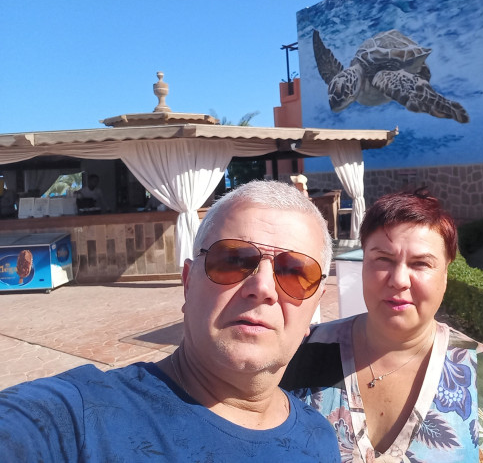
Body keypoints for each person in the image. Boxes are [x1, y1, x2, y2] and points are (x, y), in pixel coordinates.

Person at [0, 180, 340, 462]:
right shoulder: (81, 420)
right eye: (233, 260)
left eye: (295, 273)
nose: (262, 287)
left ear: (314, 307)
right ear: (188, 284)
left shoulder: (321, 440)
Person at [282, 189, 483, 462]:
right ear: (363, 263)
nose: (399, 280)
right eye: (383, 259)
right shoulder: (299, 354)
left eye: (420, 264)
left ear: (446, 275)